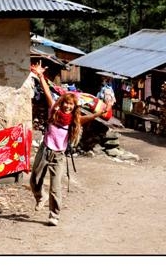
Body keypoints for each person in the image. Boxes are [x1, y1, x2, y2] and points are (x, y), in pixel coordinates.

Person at [29, 61, 106, 226]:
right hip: (45, 150)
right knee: (35, 180)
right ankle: (39, 196)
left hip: (59, 155)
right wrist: (40, 75)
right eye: (66, 103)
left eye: (71, 104)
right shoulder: (53, 111)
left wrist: (101, 111)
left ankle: (54, 215)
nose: (67, 106)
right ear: (62, 103)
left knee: (56, 186)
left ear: (74, 107)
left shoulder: (74, 120)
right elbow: (48, 93)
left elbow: (90, 117)